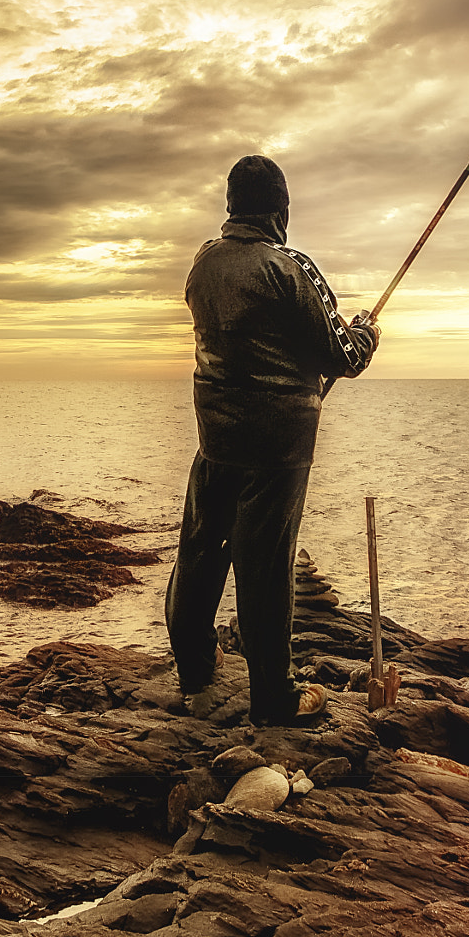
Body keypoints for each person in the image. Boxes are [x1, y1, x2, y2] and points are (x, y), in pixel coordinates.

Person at [164, 153, 378, 726]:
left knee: (201, 551)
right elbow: (342, 356)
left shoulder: (202, 265)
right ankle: (274, 699)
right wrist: (367, 331)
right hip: (277, 449)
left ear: (231, 207)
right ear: (281, 210)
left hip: (216, 437)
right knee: (265, 566)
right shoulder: (290, 268)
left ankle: (193, 675)